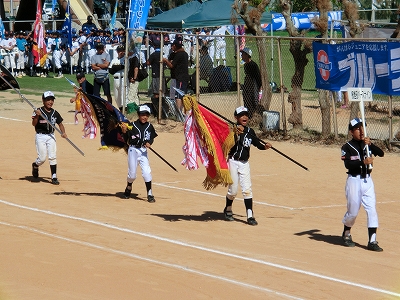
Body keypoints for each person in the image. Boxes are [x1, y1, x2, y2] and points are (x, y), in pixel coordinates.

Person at [340, 118, 384, 251]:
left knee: (372, 209)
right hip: (354, 181)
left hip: (368, 181)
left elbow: (381, 153)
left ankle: (372, 240)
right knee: (353, 212)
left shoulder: (367, 144)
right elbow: (348, 164)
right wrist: (362, 163)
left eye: (363, 128)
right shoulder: (347, 147)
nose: (361, 131)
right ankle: (346, 233)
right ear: (352, 132)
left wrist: (370, 144)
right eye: (358, 129)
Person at [223, 106, 272, 226]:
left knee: (247, 190)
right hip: (233, 162)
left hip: (244, 163)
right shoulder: (232, 130)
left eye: (246, 115)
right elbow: (227, 144)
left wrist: (264, 146)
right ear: (236, 117)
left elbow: (257, 144)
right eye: (241, 115)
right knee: (233, 191)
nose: (244, 117)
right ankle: (228, 208)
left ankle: (250, 215)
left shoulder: (250, 132)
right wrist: (235, 134)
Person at [120, 105, 158, 202]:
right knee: (132, 175)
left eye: (146, 115)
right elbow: (126, 139)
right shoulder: (132, 126)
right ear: (138, 115)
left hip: (143, 151)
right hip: (133, 150)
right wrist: (124, 131)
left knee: (146, 172)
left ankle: (149, 193)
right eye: (142, 114)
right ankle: (129, 187)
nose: (144, 117)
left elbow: (151, 137)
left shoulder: (150, 126)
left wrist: (150, 143)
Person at [31, 91, 68, 185]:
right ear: (43, 100)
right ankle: (35, 165)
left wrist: (63, 132)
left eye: (52, 100)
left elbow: (60, 124)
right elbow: (34, 124)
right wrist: (37, 116)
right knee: (42, 158)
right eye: (48, 100)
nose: (50, 102)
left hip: (51, 136)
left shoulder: (55, 113)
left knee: (52, 156)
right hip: (40, 136)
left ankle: (54, 176)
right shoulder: (38, 111)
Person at [162, 38, 189, 114]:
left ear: (175, 46)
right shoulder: (183, 54)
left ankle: (178, 113)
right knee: (174, 95)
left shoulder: (179, 54)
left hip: (180, 78)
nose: (172, 47)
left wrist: (165, 60)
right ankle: (177, 112)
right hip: (176, 78)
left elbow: (171, 65)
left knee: (179, 96)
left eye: (173, 45)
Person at [240, 47, 262, 118]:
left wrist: (259, 86)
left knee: (254, 101)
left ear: (247, 55)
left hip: (253, 85)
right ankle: (248, 116)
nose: (241, 55)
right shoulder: (246, 65)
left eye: (242, 54)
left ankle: (255, 116)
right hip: (247, 86)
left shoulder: (253, 65)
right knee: (246, 100)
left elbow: (258, 77)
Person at [109, 45, 126, 111]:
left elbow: (123, 67)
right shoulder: (114, 59)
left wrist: (115, 67)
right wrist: (119, 67)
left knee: (122, 96)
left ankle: (124, 111)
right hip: (115, 79)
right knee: (116, 97)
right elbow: (110, 70)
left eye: (121, 50)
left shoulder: (125, 58)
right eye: (119, 51)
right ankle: (121, 109)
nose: (120, 52)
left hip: (122, 79)